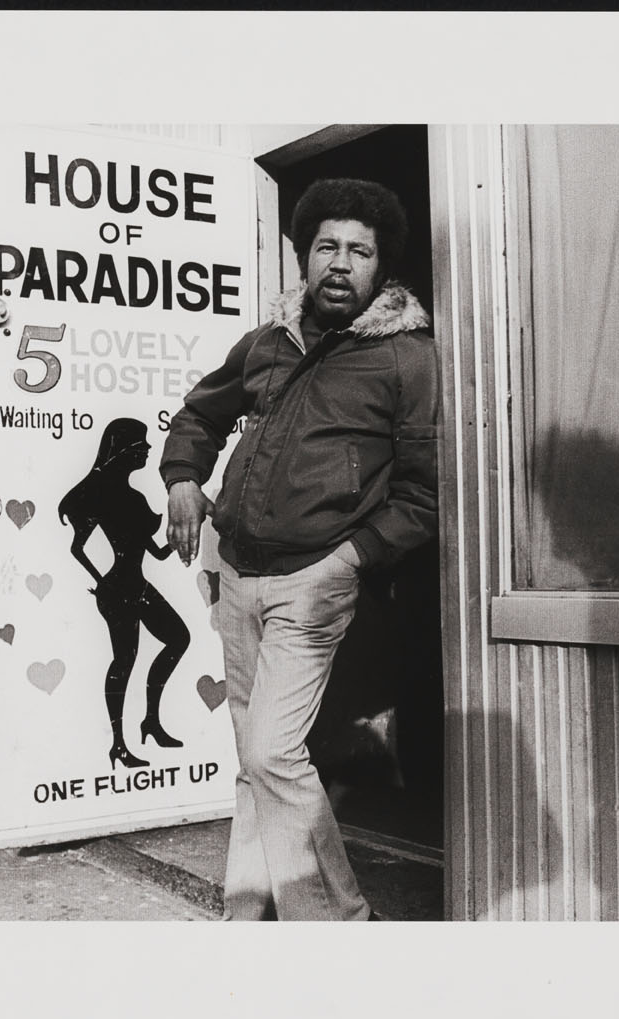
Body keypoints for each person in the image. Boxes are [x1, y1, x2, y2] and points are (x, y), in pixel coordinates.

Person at [160, 178, 439, 920]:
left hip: (313, 582)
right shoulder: (267, 344)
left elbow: (424, 493)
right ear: (304, 258)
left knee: (272, 753)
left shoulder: (406, 359)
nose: (341, 263)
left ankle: (339, 924)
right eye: (326, 248)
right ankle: (249, 911)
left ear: (382, 269)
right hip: (234, 573)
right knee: (254, 759)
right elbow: (199, 412)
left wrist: (349, 560)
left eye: (359, 250)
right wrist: (184, 477)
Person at [59, 418, 191, 770]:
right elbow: (77, 548)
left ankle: (150, 721)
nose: (148, 450)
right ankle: (118, 744)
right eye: (141, 445)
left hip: (137, 586)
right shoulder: (102, 493)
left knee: (178, 638)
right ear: (123, 450)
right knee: (125, 661)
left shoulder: (134, 498)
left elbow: (156, 552)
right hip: (119, 590)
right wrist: (101, 581)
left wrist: (180, 536)